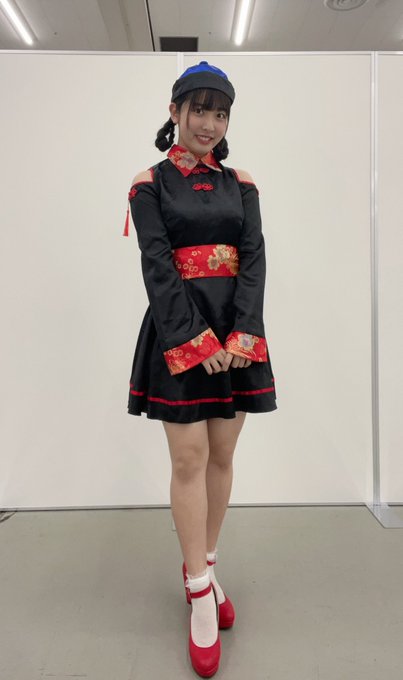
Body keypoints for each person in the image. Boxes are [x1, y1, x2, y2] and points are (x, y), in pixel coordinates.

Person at [123, 61, 277, 678]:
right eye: (199, 110)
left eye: (220, 113)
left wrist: (242, 333)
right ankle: (198, 592)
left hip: (237, 335)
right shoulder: (149, 184)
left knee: (222, 455)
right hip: (179, 331)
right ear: (175, 111)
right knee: (188, 459)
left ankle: (208, 569)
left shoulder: (243, 183)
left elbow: (254, 261)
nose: (209, 124)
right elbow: (157, 268)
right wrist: (193, 338)